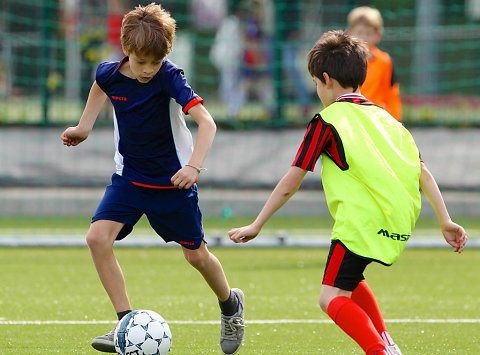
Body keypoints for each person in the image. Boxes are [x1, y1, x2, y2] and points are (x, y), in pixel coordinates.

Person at [229, 30, 467, 355]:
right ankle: (387, 342)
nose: (316, 91)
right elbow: (422, 171)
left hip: (359, 225)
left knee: (331, 298)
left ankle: (377, 350)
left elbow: (292, 179)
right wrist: (446, 221)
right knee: (351, 280)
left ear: (325, 79)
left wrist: (256, 224)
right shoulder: (389, 120)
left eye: (315, 83)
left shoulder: (328, 120)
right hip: (398, 220)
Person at [61, 3, 244, 354]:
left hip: (173, 185)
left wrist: (193, 167)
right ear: (126, 50)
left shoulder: (170, 76)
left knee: (196, 257)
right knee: (97, 238)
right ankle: (124, 325)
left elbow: (207, 122)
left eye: (155, 63)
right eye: (141, 62)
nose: (147, 70)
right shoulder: (109, 72)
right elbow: (100, 85)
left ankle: (230, 305)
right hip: (129, 179)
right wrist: (85, 126)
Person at [346, 6, 402, 121]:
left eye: (368, 33)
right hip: (351, 117)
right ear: (350, 33)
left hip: (375, 118)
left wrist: (395, 120)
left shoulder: (384, 61)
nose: (363, 38)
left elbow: (391, 93)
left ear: (377, 36)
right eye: (359, 32)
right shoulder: (345, 60)